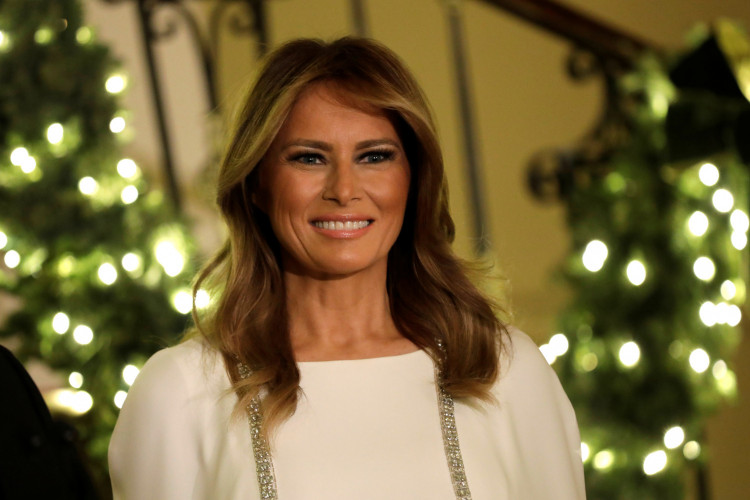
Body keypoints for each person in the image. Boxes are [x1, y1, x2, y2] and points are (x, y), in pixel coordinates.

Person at [109, 37, 586, 499]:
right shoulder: (182, 393)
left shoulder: (502, 371)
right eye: (309, 158)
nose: (344, 189)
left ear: (414, 178)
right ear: (257, 183)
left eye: (374, 156)